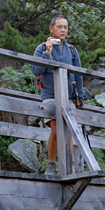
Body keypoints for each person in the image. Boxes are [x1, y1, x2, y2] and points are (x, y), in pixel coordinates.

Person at [31, 15, 84, 175]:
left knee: (68, 131)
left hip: (68, 96)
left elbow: (78, 74)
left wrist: (79, 96)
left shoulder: (72, 51)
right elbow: (36, 70)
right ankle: (51, 163)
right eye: (59, 26)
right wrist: (47, 53)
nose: (63, 30)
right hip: (50, 95)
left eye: (65, 27)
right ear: (51, 28)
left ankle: (67, 165)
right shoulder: (42, 48)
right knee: (55, 128)